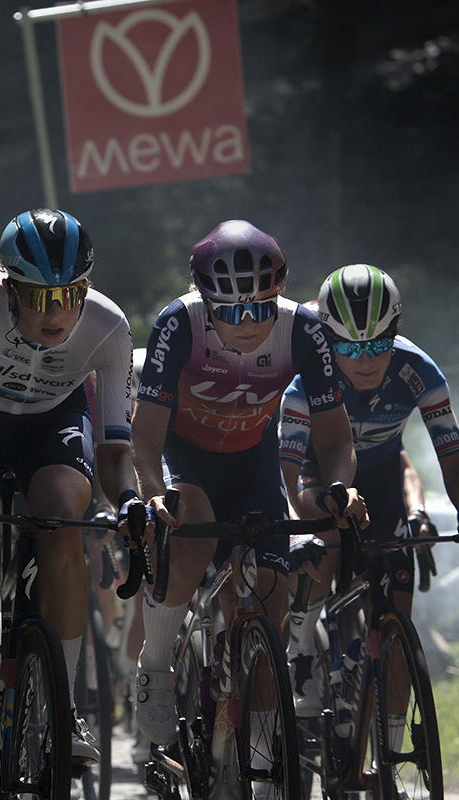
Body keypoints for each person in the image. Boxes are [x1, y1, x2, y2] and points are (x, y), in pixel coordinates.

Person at [0, 208, 141, 800]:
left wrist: (133, 503)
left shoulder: (110, 327)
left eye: (69, 295)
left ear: (86, 289)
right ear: (9, 289)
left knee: (65, 515)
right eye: (38, 298)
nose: (56, 312)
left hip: (53, 427)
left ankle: (64, 708)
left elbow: (118, 457)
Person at [130, 220, 366, 751]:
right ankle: (155, 667)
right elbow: (144, 434)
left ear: (277, 297)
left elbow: (335, 440)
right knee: (191, 548)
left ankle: (263, 763)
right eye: (232, 311)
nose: (248, 323)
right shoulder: (179, 323)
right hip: (183, 457)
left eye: (260, 308)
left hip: (252, 463)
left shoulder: (302, 329)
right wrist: (151, 491)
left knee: (270, 607)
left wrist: (341, 487)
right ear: (203, 299)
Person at [280, 265, 459, 717]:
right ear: (328, 340)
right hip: (316, 474)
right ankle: (301, 643)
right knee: (329, 539)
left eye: (379, 344)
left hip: (379, 481)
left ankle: (392, 762)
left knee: (399, 620)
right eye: (350, 347)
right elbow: (285, 473)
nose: (366, 359)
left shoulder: (419, 370)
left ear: (395, 333)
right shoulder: (306, 380)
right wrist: (301, 529)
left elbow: (452, 463)